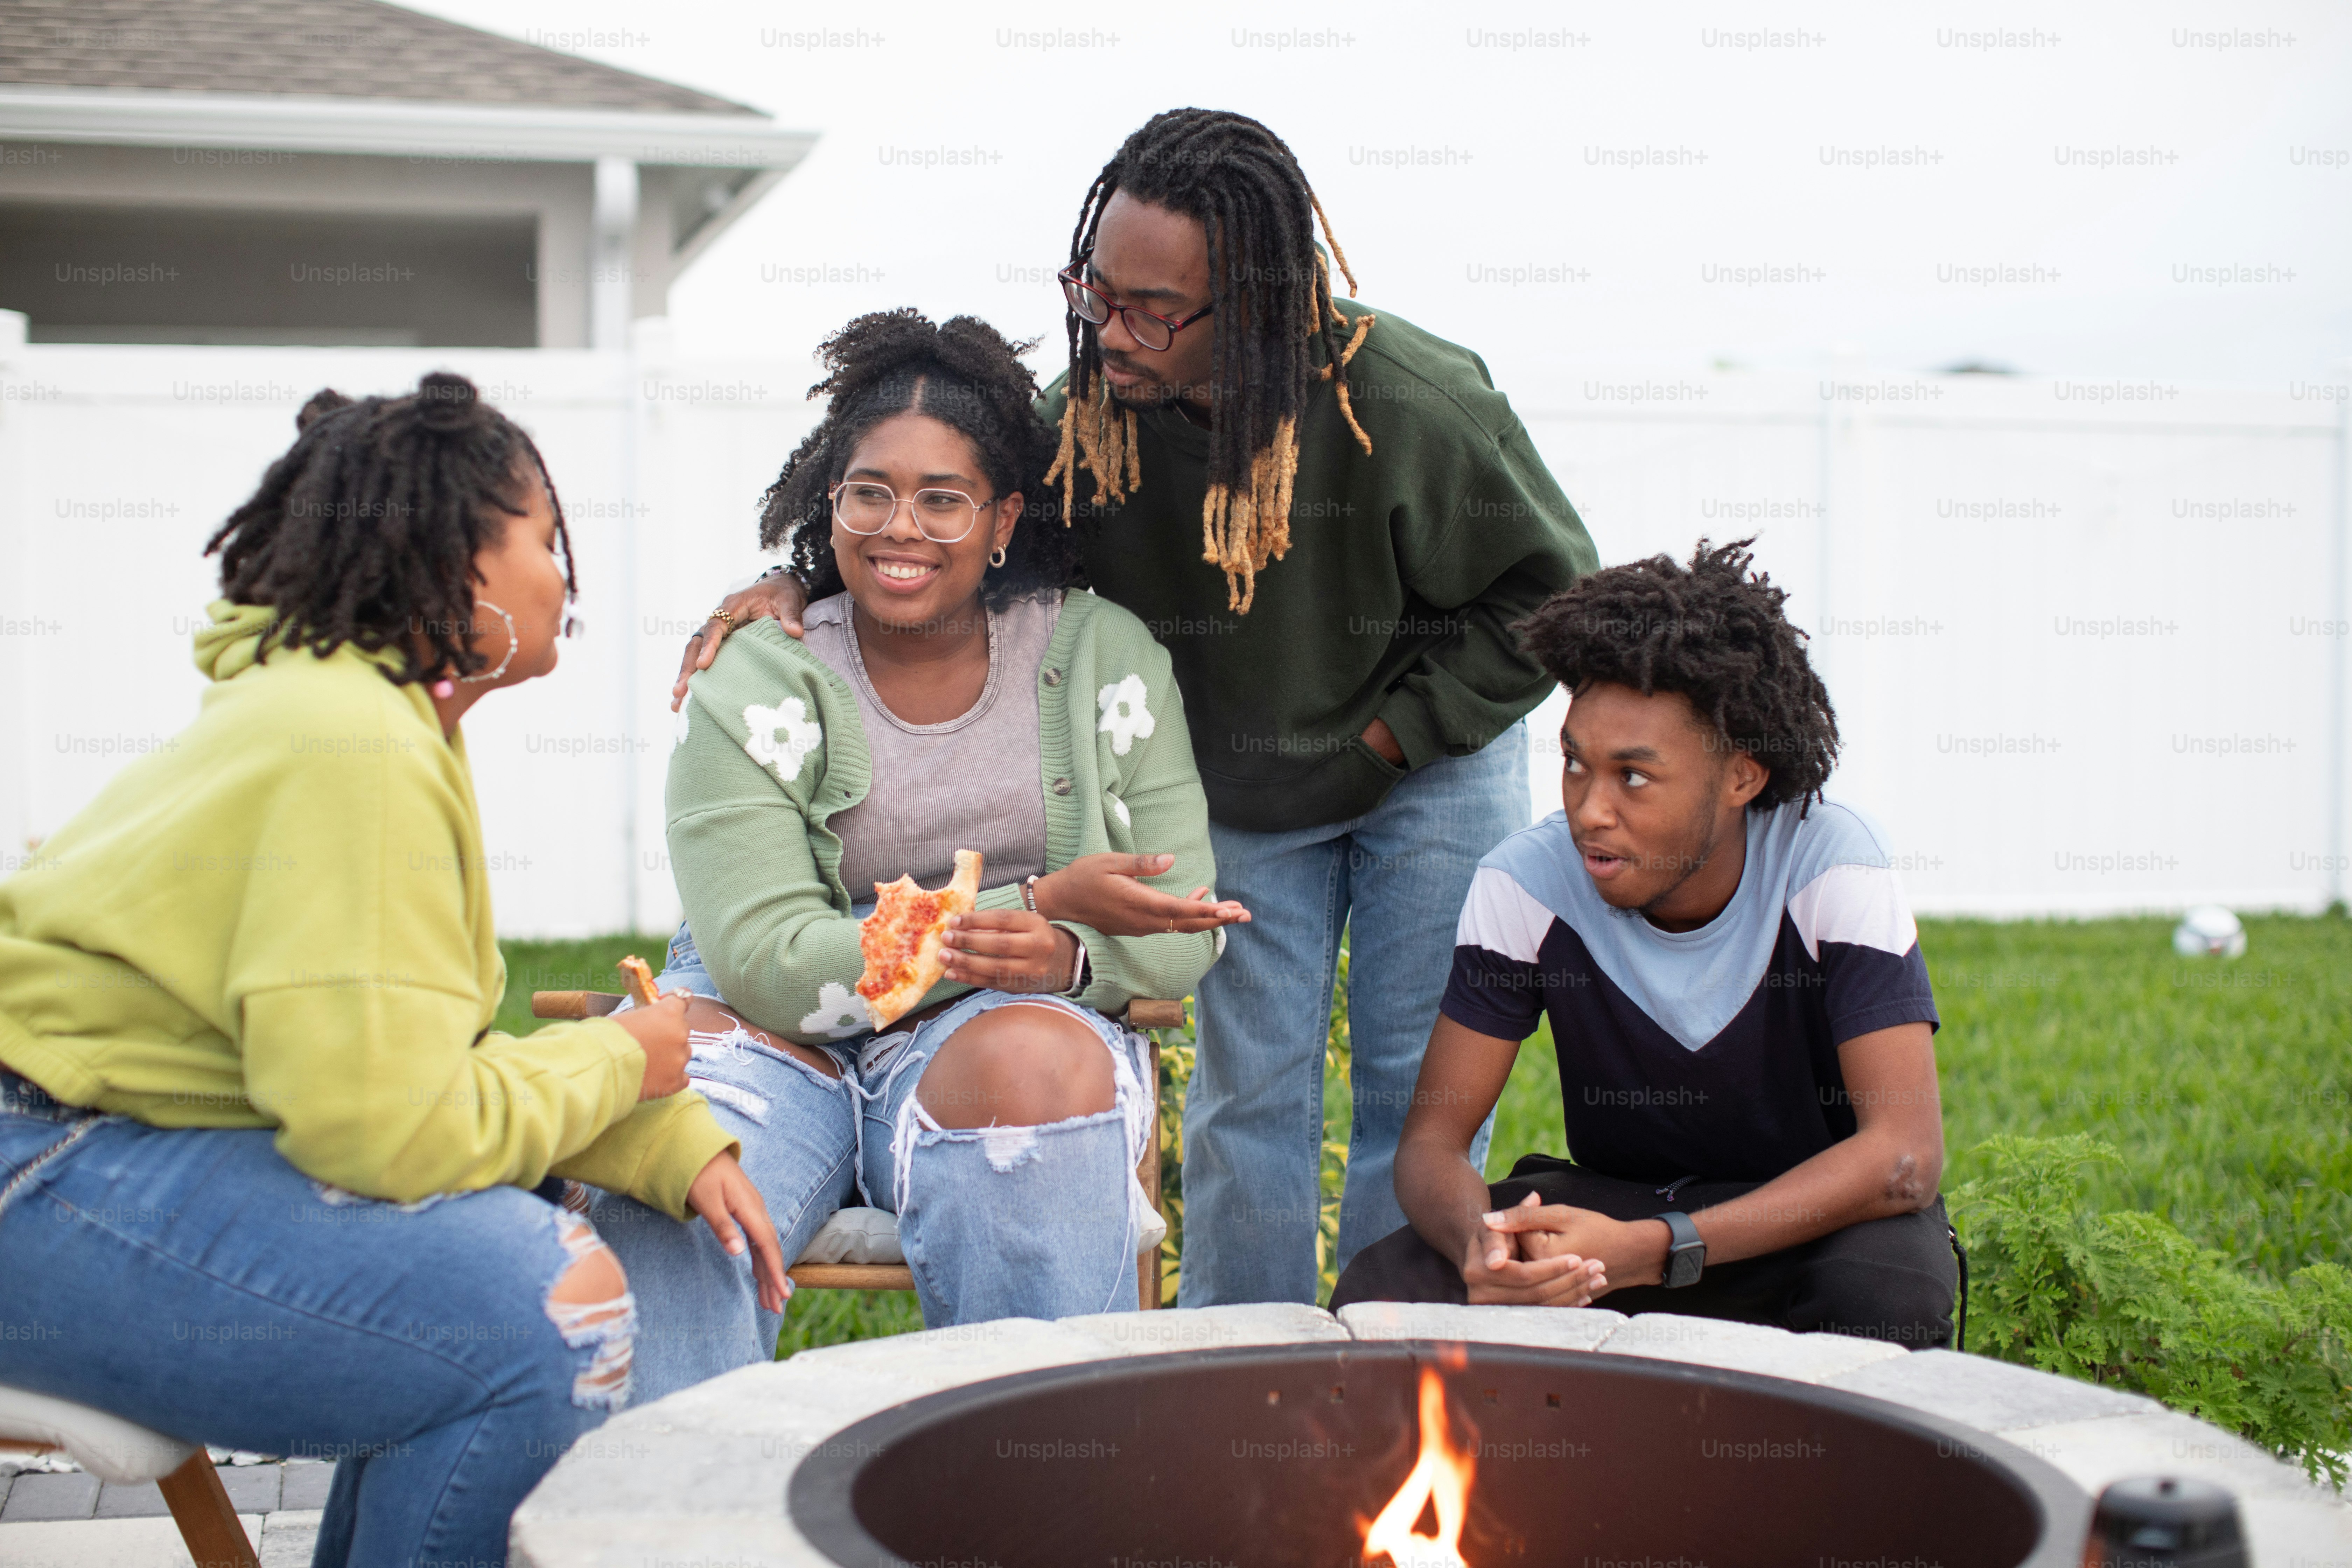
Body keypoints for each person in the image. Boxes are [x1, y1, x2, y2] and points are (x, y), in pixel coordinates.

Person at [675, 109, 1598, 1306]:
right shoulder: (1092, 416)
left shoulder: (1412, 401)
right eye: (1094, 290)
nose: (1110, 330)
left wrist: (1393, 737)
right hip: (1254, 774)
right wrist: (796, 578)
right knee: (1249, 1090)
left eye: (1153, 309)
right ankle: (1241, 1372)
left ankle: (1396, 1346)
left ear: (1259, 304)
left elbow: (1553, 591)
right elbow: (944, 518)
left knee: (1415, 1083)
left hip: (1422, 759)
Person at [0, 374, 784, 1568]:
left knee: (496, 1267)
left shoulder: (351, 716)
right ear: (452, 558)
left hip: (79, 1153)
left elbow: (387, 1068)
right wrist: (623, 1058)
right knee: (537, 1317)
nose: (564, 574)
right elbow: (388, 1136)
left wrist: (651, 1133)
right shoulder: (353, 743)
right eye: (543, 537)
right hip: (39, 1174)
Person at [605, 310, 1244, 1401]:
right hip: (767, 1035)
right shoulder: (764, 671)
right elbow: (765, 962)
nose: (902, 527)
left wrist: (1069, 962)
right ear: (832, 503)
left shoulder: (1101, 659)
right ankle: (668, 1530)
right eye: (870, 493)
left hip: (993, 1031)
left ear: (1001, 518)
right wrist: (1033, 906)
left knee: (1041, 1078)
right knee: (668, 1155)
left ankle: (1036, 1499)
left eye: (942, 498)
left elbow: (1178, 921)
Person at [1329, 540, 1957, 1346]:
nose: (1590, 808)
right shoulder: (1526, 881)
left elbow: (1905, 1158)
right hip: (1615, 1216)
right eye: (1574, 765)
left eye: (1633, 775)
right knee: (1391, 1283)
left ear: (1742, 776)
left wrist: (1659, 1251)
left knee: (1885, 1289)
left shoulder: (1829, 864)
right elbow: (1431, 1146)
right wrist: (1480, 1247)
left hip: (1806, 1223)